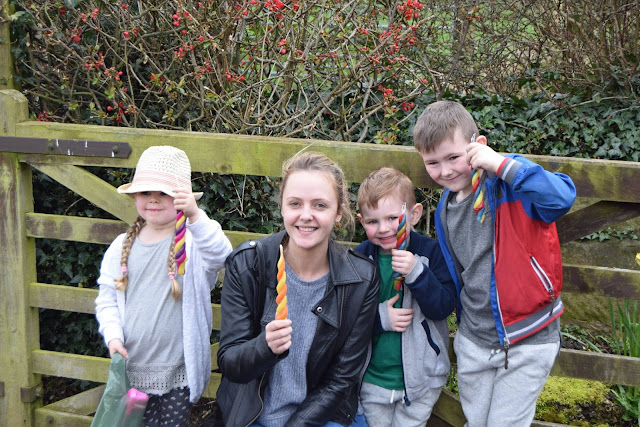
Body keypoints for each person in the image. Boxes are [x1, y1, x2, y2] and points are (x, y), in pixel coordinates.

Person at [413, 100, 576, 427]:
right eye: (432, 163)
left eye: (453, 157)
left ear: (478, 146)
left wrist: (501, 165)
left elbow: (561, 197)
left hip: (527, 338)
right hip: (474, 339)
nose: (445, 171)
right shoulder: (445, 209)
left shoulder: (509, 184)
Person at [216, 151, 380, 427]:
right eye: (295, 203)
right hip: (252, 416)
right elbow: (231, 363)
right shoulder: (247, 265)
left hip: (321, 417)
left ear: (339, 212)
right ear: (281, 207)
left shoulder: (361, 279)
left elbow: (340, 379)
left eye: (320, 205)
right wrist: (264, 347)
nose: (306, 216)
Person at [95, 145, 233, 426]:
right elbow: (107, 298)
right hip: (132, 369)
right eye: (145, 192)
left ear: (183, 198)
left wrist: (195, 216)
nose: (154, 199)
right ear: (134, 196)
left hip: (178, 372)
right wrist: (113, 336)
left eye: (165, 193)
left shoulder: (193, 244)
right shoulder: (121, 247)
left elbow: (222, 256)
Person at [354, 167, 456, 426]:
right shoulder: (358, 260)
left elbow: (443, 307)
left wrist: (417, 273)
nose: (384, 228)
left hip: (422, 380)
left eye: (392, 218)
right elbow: (347, 317)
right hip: (371, 380)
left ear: (414, 214)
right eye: (372, 221)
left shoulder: (431, 254)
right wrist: (380, 319)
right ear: (361, 221)